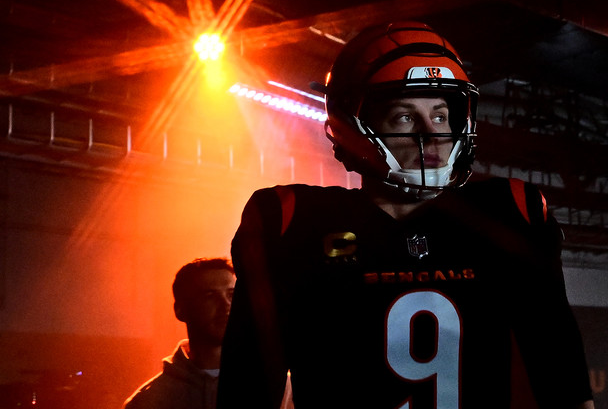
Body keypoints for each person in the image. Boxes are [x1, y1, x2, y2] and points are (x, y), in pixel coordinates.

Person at [217, 21, 595, 409]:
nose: (432, 134)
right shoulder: (289, 222)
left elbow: (562, 375)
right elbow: (247, 388)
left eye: (442, 115)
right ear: (353, 125)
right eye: (404, 117)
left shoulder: (511, 213)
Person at [124, 257, 235, 409]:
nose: (226, 305)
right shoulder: (149, 401)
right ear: (180, 310)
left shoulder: (270, 386)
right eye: (210, 296)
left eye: (232, 295)